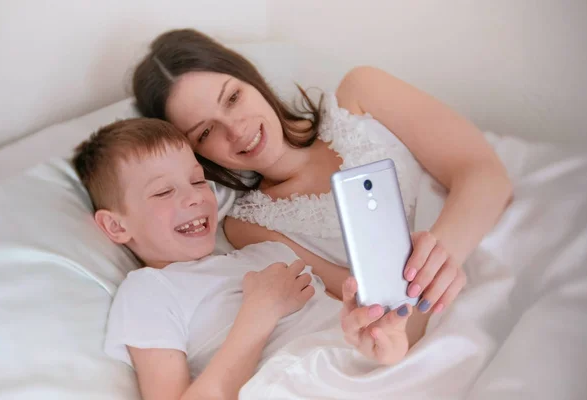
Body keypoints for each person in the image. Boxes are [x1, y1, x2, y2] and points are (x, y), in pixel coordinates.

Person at [131, 29, 513, 340]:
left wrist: (442, 255)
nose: (237, 130)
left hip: (499, 242)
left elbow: (484, 173)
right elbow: (373, 307)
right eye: (207, 131)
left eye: (232, 97)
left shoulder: (364, 91)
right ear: (197, 154)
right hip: (433, 321)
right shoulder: (250, 225)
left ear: (250, 78)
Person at [72, 118, 414, 400]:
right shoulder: (148, 290)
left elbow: (359, 334)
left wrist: (386, 343)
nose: (194, 197)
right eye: (164, 191)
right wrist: (259, 313)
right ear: (116, 226)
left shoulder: (269, 252)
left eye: (196, 180)